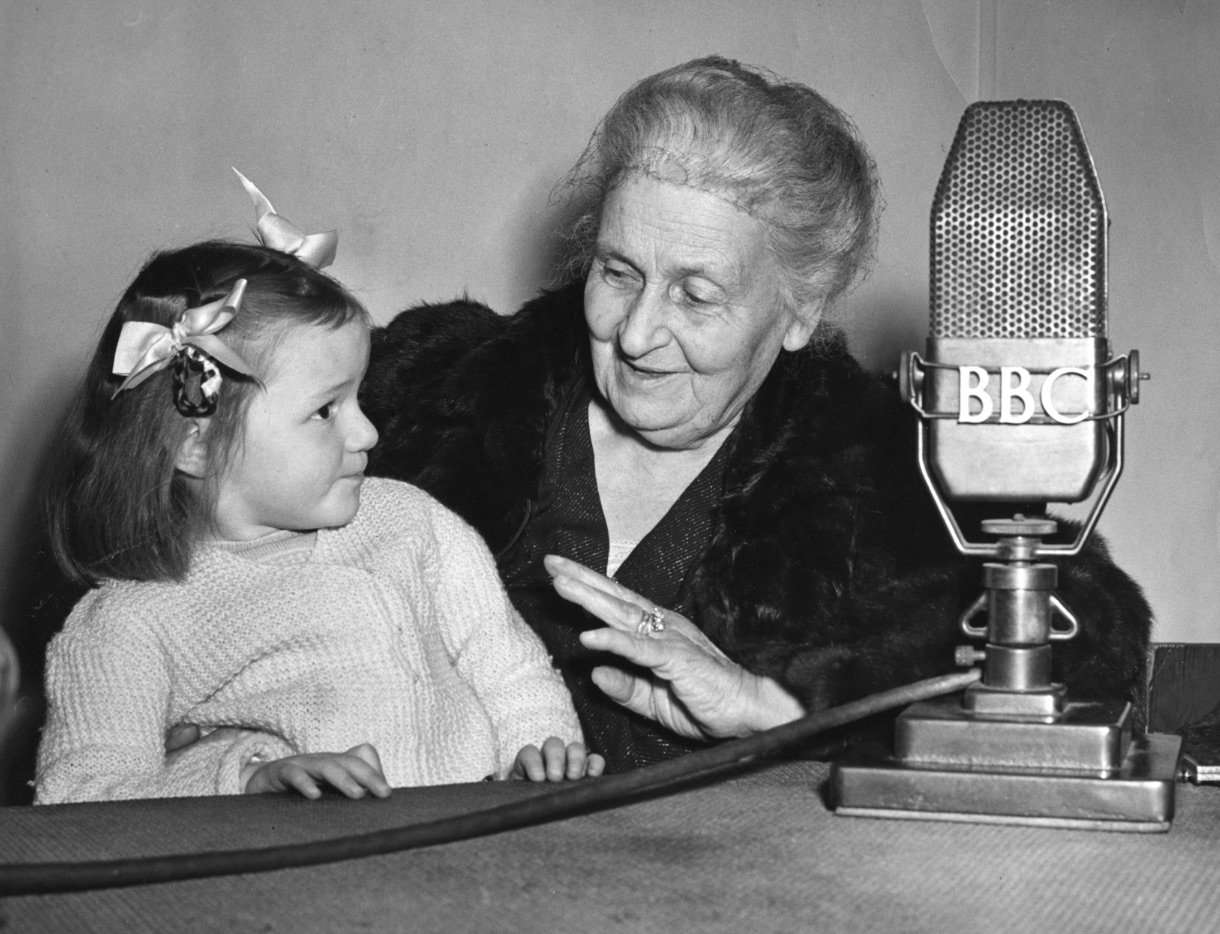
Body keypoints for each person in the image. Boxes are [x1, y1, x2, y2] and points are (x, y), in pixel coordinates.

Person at [360, 56, 1153, 772]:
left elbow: (1095, 636)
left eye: (696, 295)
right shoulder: (431, 388)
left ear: (799, 310)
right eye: (618, 271)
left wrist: (770, 708)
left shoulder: (882, 467)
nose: (636, 334)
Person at [35, 190, 602, 804]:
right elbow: (78, 796)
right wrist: (242, 781)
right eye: (325, 410)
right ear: (194, 447)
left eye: (357, 399)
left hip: (466, 842)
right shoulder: (128, 625)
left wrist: (538, 750)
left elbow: (508, 664)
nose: (368, 432)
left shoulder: (412, 522)